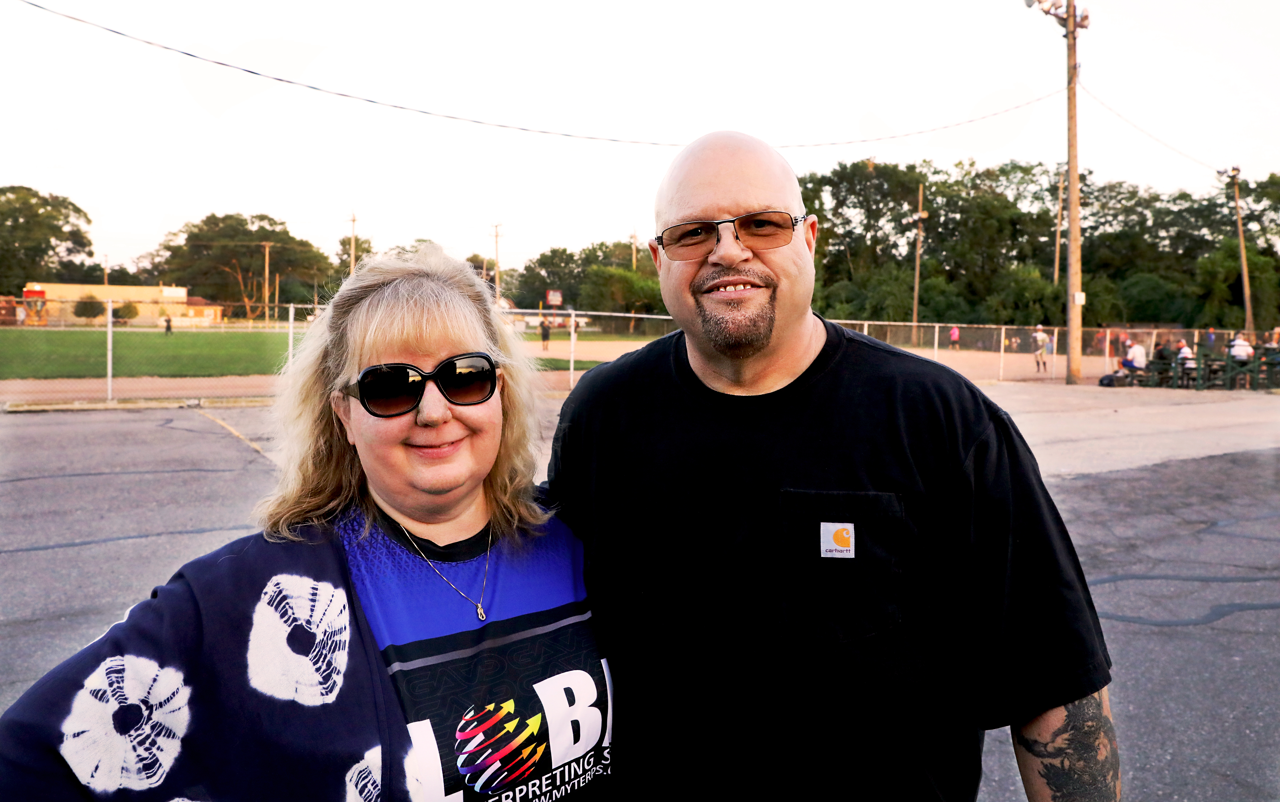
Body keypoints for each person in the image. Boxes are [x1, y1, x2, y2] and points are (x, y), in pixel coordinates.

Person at [547, 132, 1116, 801]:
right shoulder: (604, 416)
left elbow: (1055, 685)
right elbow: (548, 631)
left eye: (762, 224)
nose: (728, 249)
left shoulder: (942, 421)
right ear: (658, 257)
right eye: (693, 232)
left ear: (808, 237)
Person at [0, 245, 612, 800]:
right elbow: (30, 764)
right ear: (343, 414)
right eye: (391, 388)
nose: (433, 410)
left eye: (465, 377)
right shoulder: (245, 598)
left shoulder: (582, 543)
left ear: (499, 391)